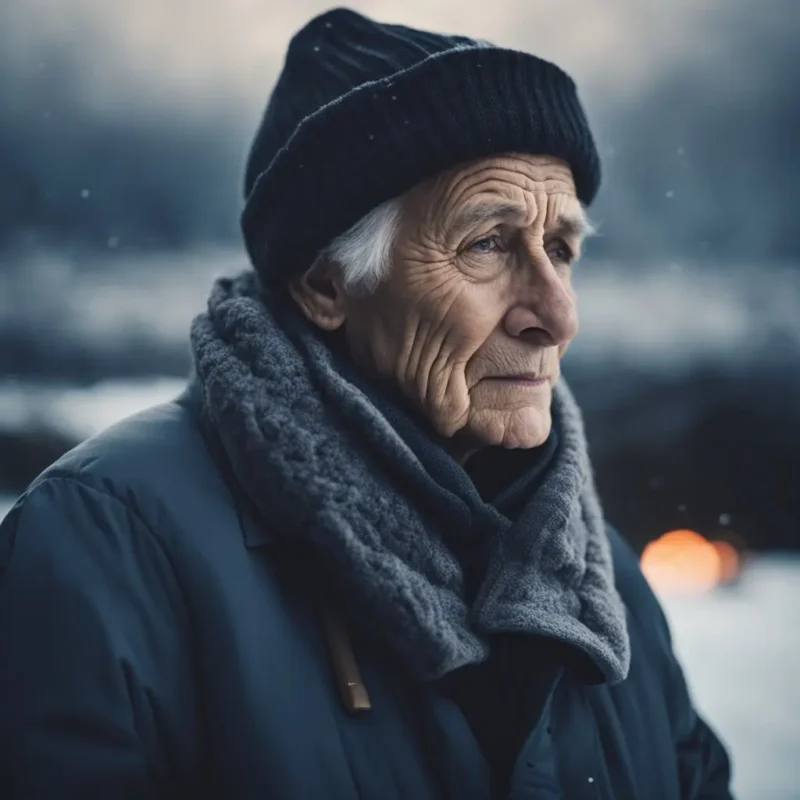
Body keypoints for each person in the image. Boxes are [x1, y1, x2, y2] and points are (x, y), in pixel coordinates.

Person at [0, 8, 733, 799]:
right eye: (487, 243)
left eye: (560, 249)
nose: (558, 314)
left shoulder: (605, 583)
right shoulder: (105, 546)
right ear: (325, 284)